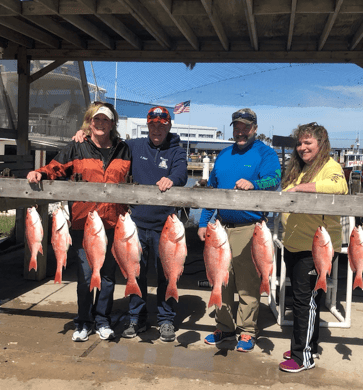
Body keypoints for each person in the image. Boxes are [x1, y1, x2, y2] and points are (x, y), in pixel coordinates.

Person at [73, 106, 188, 342]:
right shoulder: (134, 146)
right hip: (135, 224)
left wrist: (172, 178)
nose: (157, 128)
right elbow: (108, 140)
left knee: (168, 272)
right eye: (153, 124)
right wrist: (83, 134)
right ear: (148, 126)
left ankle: (166, 318)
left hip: (165, 225)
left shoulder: (176, 151)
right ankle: (137, 317)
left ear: (169, 126)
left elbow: (183, 173)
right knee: (135, 272)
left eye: (162, 125)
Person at [27, 102, 131, 342]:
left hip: (114, 224)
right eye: (96, 120)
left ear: (113, 124)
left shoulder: (124, 149)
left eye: (106, 120)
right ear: (89, 122)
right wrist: (40, 173)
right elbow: (57, 167)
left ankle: (103, 320)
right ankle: (83, 322)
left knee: (106, 277)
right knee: (85, 276)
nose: (100, 124)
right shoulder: (77, 146)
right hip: (84, 224)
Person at [198, 108, 281, 352]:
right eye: (237, 127)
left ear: (255, 129)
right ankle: (223, 326)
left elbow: (274, 180)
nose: (241, 131)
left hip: (250, 229)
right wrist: (204, 221)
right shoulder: (223, 154)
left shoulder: (265, 153)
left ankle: (247, 331)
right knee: (221, 280)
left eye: (246, 127)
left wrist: (254, 184)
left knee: (247, 283)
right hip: (221, 227)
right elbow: (213, 190)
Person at [279, 122, 348, 373]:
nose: (302, 147)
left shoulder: (331, 167)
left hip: (316, 248)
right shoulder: (299, 169)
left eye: (308, 142)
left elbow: (338, 188)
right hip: (294, 244)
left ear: (321, 143)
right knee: (305, 302)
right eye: (299, 143)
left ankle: (303, 357)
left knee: (304, 301)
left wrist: (300, 188)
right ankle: (306, 344)